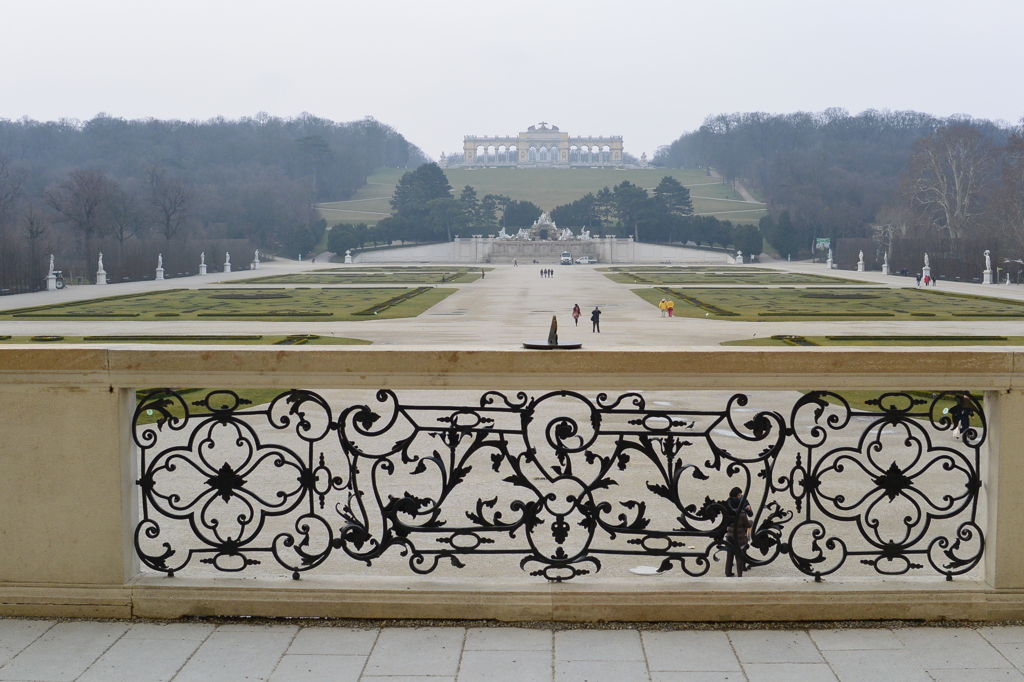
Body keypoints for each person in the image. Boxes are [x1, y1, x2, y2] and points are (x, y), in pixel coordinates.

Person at [724, 487, 753, 578]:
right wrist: (751, 523)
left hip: (730, 536)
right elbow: (748, 525)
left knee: (729, 555)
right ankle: (739, 574)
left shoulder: (727, 511)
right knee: (740, 556)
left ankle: (728, 572)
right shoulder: (742, 514)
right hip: (740, 537)